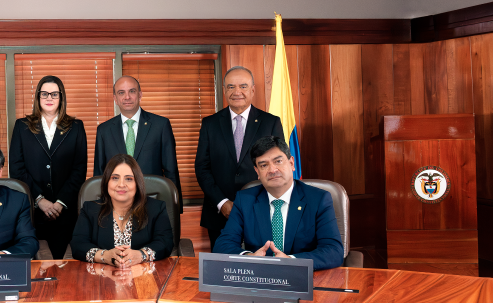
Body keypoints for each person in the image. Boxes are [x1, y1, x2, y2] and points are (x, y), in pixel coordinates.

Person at [213, 136, 343, 270]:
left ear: (292, 163)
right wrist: (249, 257)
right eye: (264, 165)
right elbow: (223, 245)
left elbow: (333, 251)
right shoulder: (244, 200)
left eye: (278, 161)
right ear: (257, 172)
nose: (272, 170)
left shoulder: (318, 199)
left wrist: (292, 261)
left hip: (303, 278)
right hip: (260, 278)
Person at [195, 66, 284, 249]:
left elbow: (278, 167)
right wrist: (222, 203)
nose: (237, 92)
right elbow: (202, 168)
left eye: (243, 86)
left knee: (261, 267)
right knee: (224, 270)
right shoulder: (210, 124)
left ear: (252, 90)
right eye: (231, 87)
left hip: (261, 210)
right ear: (225, 90)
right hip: (219, 214)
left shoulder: (270, 122)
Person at [9, 76, 87, 259]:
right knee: (35, 268)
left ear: (61, 97)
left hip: (65, 212)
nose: (49, 98)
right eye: (44, 94)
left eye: (54, 94)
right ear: (37, 97)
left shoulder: (76, 127)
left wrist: (60, 203)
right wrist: (39, 200)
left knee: (64, 267)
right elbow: (17, 168)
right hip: (32, 210)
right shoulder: (22, 126)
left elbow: (79, 169)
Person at [93, 75, 182, 210]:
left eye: (132, 91)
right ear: (115, 98)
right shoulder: (103, 130)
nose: (127, 97)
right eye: (121, 93)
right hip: (116, 206)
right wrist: (100, 209)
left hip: (153, 203)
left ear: (140, 95)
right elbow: (99, 174)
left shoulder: (161, 125)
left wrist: (175, 208)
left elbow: (171, 171)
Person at [71, 154, 173, 265]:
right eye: (115, 178)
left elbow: (165, 242)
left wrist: (141, 255)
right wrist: (104, 256)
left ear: (137, 183)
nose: (121, 184)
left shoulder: (156, 208)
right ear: (106, 182)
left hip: (145, 277)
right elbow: (78, 245)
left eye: (129, 179)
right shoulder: (90, 209)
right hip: (101, 277)